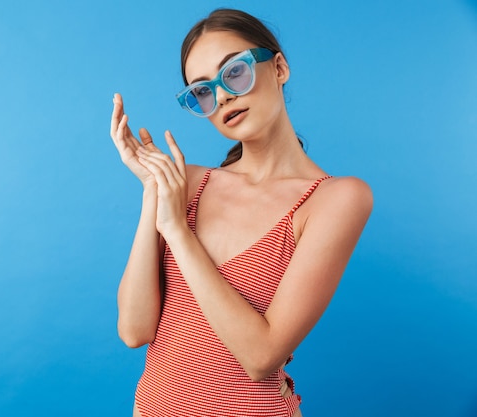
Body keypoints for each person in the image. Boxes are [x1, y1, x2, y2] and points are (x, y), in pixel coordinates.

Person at [109, 8, 372, 417]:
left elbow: (261, 356)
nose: (223, 96)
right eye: (202, 90)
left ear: (279, 67)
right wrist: (154, 191)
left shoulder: (336, 199)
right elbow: (134, 329)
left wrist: (178, 232)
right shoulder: (189, 183)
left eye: (234, 72)